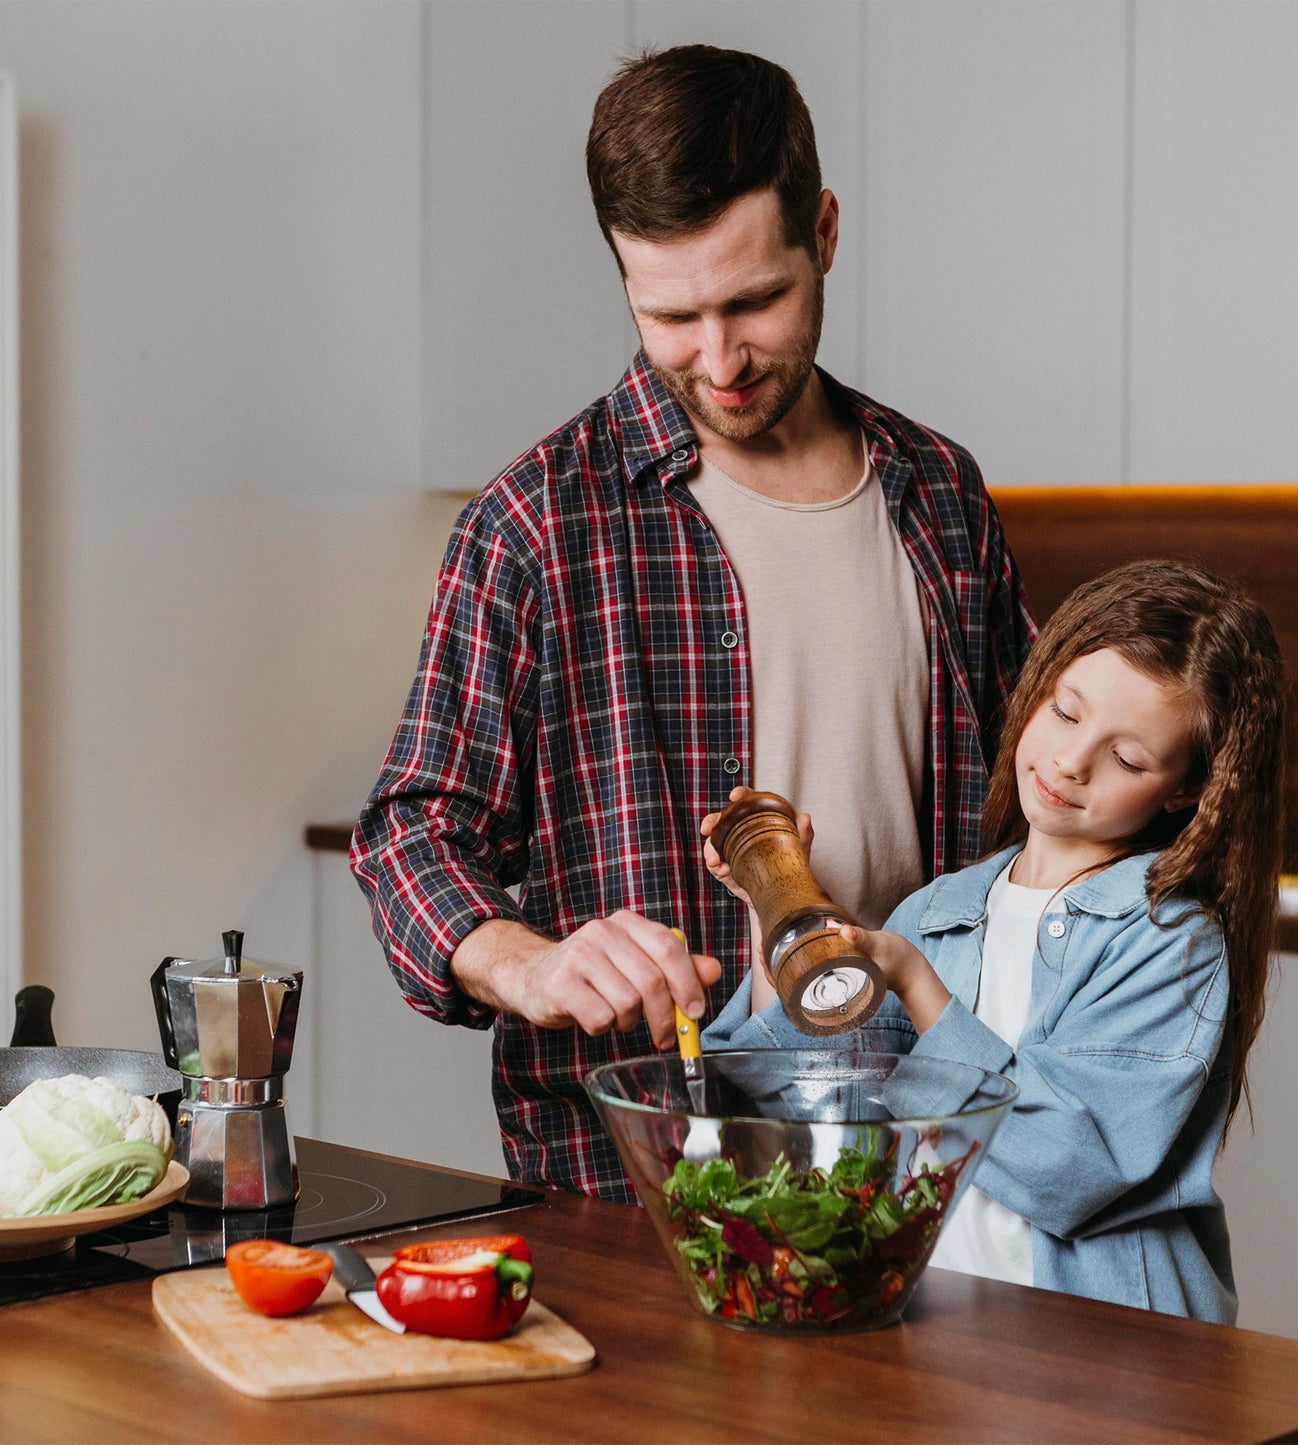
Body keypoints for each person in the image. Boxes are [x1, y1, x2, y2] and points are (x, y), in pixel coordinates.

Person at [351, 45, 1035, 1203]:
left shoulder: (937, 492)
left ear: (821, 230)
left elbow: (1034, 810)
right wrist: (526, 960)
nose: (716, 361)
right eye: (670, 314)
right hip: (643, 1177)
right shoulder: (535, 521)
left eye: (754, 300)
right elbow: (411, 833)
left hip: (925, 1154)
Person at [703, 560, 1288, 1323]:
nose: (1070, 761)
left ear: (1184, 790)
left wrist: (918, 987)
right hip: (934, 1333)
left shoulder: (1168, 941)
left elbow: (1068, 1169)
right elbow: (806, 1094)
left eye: (1126, 758)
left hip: (1103, 1353)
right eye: (1065, 712)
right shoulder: (936, 911)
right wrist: (773, 907)